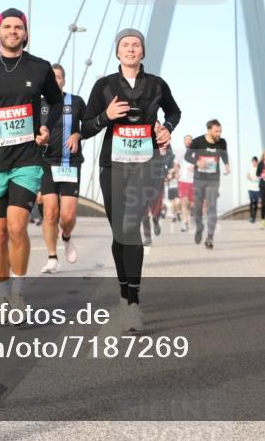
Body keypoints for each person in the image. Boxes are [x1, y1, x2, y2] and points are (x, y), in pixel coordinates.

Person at [81, 29, 180, 333]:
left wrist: (166, 128)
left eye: (136, 45)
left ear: (143, 52)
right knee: (119, 233)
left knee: (131, 229)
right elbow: (85, 128)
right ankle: (124, 295)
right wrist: (106, 116)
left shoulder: (157, 85)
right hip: (113, 166)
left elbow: (174, 112)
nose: (131, 49)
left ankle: (133, 302)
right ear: (117, 52)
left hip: (144, 166)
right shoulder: (104, 86)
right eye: (125, 45)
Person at [0, 8, 61, 316]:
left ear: (26, 33)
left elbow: (56, 101)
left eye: (18, 27)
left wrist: (46, 126)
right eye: (7, 27)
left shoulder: (40, 67)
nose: (12, 31)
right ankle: (2, 296)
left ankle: (19, 294)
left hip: (28, 158)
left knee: (18, 226)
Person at [38, 63, 86, 274]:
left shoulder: (75, 102)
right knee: (50, 214)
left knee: (67, 217)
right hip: (46, 164)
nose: (55, 80)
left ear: (63, 80)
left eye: (58, 77)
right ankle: (52, 258)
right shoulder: (38, 105)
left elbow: (91, 124)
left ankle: (66, 237)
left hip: (70, 164)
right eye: (51, 77)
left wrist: (78, 134)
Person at [186, 119, 230, 249]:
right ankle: (199, 227)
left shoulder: (222, 142)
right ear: (209, 130)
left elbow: (224, 155)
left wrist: (226, 164)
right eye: (216, 131)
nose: (219, 134)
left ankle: (210, 237)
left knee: (212, 207)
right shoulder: (198, 141)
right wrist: (197, 162)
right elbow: (187, 156)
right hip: (199, 179)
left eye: (220, 131)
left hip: (213, 179)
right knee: (198, 208)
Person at [176, 134, 195, 232]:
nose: (188, 141)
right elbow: (176, 164)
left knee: (192, 204)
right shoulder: (180, 153)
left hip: (194, 181)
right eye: (186, 140)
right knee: (184, 202)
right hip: (183, 180)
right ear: (184, 142)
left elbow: (201, 164)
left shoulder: (196, 153)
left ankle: (191, 216)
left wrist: (195, 168)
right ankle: (184, 222)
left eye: (190, 140)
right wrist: (176, 172)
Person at [247, 156, 261, 223]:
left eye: (255, 161)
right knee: (251, 201)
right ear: (252, 162)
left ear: (257, 162)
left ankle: (254, 217)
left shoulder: (259, 169)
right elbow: (248, 176)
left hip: (257, 189)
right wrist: (249, 177)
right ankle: (251, 216)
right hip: (250, 188)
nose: (254, 163)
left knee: (256, 203)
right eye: (253, 161)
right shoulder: (250, 168)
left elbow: (261, 177)